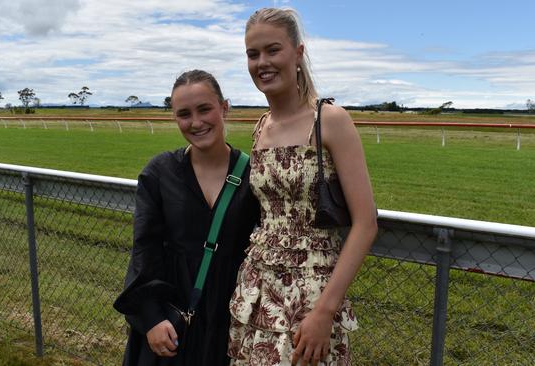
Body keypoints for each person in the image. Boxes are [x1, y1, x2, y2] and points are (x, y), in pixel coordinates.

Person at [228, 8, 378, 366]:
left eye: (273, 50)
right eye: (253, 54)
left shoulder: (329, 120)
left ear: (298, 53)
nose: (262, 62)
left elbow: (366, 223)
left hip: (311, 293)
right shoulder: (261, 126)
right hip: (258, 289)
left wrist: (325, 311)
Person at [114, 69, 260, 365]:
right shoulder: (160, 172)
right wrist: (151, 319)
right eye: (184, 114)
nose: (196, 122)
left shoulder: (254, 174)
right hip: (171, 325)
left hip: (228, 323)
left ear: (224, 107)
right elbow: (145, 249)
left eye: (205, 109)